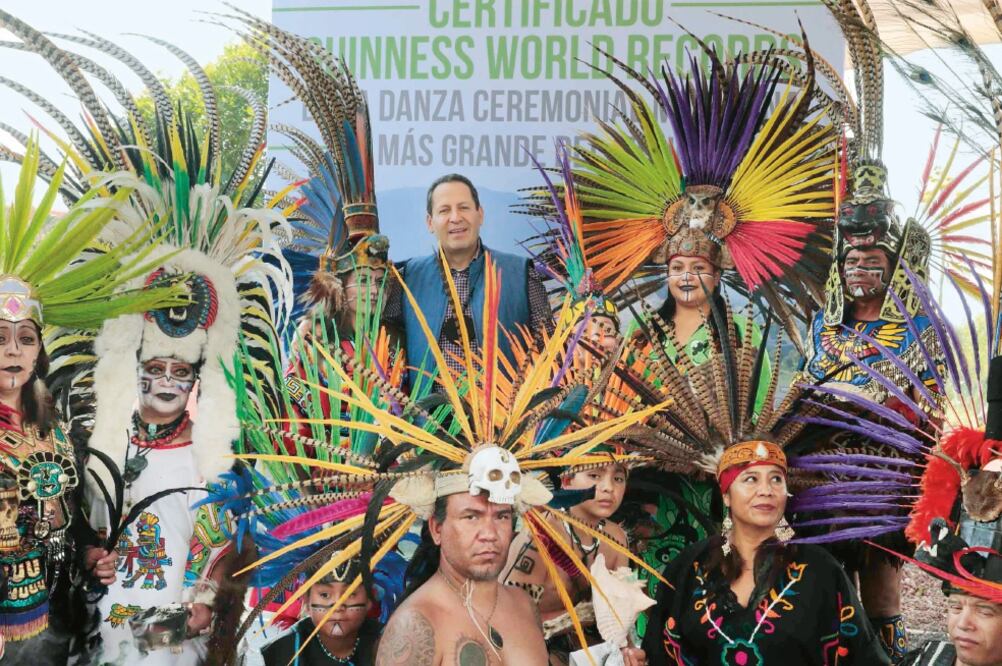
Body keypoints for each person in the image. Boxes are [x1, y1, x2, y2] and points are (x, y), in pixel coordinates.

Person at [0, 139, 185, 663]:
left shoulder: (53, 423)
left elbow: (68, 508)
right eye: (0, 337)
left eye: (26, 338)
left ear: (40, 350)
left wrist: (89, 550)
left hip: (59, 616)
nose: (14, 350)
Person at [641, 441, 890, 665]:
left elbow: (863, 654)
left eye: (776, 479)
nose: (766, 490)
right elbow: (658, 651)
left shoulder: (819, 569)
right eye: (751, 479)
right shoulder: (690, 566)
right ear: (726, 495)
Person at [385, 173, 553, 388]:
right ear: (430, 222)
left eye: (463, 207)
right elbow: (383, 344)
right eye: (444, 210)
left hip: (502, 418)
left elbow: (549, 352)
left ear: (479, 214)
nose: (455, 217)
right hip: (425, 418)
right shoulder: (406, 278)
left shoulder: (520, 274)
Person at [502, 461, 642, 665]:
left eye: (618, 479)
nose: (608, 487)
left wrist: (627, 653)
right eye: (594, 476)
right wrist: (581, 616)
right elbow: (508, 619)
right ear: (566, 481)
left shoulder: (617, 538)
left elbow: (621, 619)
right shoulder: (539, 536)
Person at [260, 556, 382, 666]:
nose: (337, 606)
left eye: (350, 594)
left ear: (369, 601)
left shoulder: (388, 639)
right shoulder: (283, 651)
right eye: (325, 595)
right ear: (307, 601)